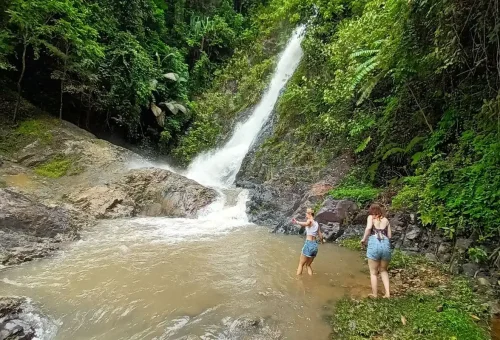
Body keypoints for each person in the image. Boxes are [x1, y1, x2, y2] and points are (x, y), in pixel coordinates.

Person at [360, 203, 392, 298]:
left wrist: (363, 239)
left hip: (374, 243)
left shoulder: (371, 217)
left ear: (371, 211)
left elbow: (369, 228)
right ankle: (387, 293)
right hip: (385, 244)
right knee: (383, 270)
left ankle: (375, 294)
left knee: (373, 272)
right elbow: (389, 236)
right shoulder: (386, 220)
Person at [292, 208, 324, 276]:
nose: (306, 214)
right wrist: (322, 242)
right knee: (308, 265)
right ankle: (311, 279)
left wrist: (297, 222)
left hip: (308, 244)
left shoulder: (310, 221)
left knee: (301, 264)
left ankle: (297, 281)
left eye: (306, 213)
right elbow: (321, 235)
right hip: (315, 246)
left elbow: (306, 223)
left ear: (309, 214)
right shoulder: (316, 223)